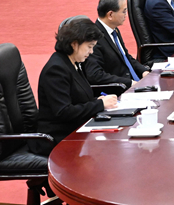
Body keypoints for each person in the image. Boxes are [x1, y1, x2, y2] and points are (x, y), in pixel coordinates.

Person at [31, 18, 119, 156]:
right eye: (89, 47)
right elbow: (64, 112)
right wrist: (99, 105)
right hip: (58, 137)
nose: (91, 52)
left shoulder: (74, 62)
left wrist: (97, 100)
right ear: (74, 44)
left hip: (75, 128)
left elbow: (78, 98)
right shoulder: (56, 69)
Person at [83, 0, 149, 89]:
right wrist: (129, 83)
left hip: (133, 83)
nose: (126, 15)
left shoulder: (114, 30)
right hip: (118, 90)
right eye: (124, 11)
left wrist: (143, 71)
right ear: (110, 15)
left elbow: (125, 56)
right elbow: (95, 75)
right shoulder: (94, 38)